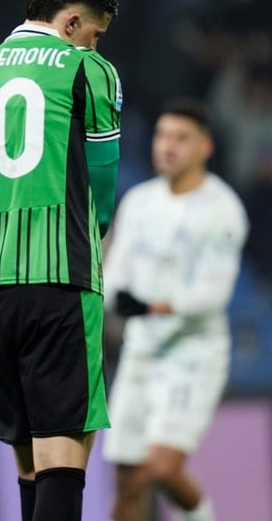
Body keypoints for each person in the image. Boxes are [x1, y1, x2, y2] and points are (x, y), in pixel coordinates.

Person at [0, 0, 122, 521]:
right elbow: (104, 186)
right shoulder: (84, 70)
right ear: (70, 24)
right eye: (93, 35)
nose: (95, 47)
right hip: (59, 277)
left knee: (28, 465)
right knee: (65, 457)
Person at [101, 98, 248, 521]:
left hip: (192, 356)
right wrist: (116, 298)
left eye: (181, 138)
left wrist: (147, 305)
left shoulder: (222, 210)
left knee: (162, 467)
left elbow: (211, 296)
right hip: (141, 353)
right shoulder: (140, 203)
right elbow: (115, 276)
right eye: (163, 136)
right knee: (128, 477)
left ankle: (201, 514)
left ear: (205, 147)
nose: (168, 146)